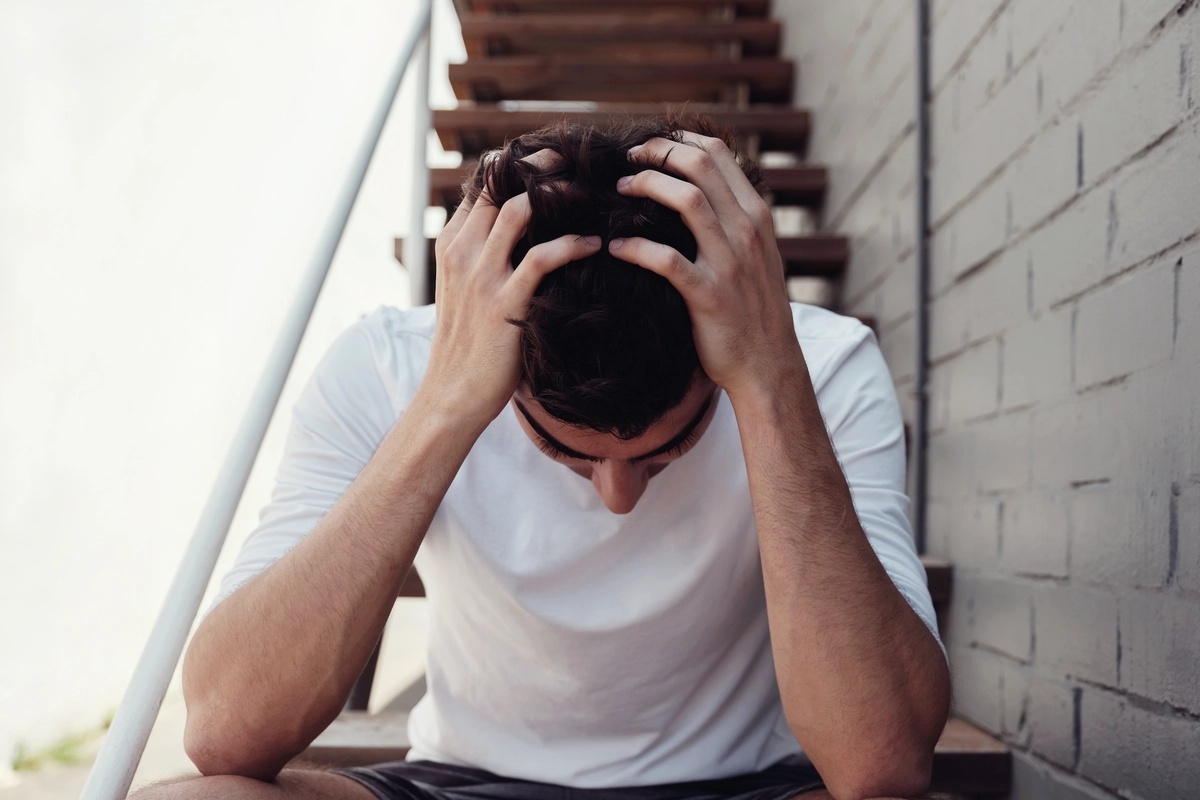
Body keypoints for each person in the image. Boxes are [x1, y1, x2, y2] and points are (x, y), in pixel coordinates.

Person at [135, 117, 950, 800]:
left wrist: (770, 386)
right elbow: (226, 731)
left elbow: (882, 765)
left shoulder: (821, 365)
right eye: (567, 452)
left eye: (666, 451)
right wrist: (448, 405)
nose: (620, 497)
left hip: (745, 783)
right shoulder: (390, 364)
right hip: (466, 780)